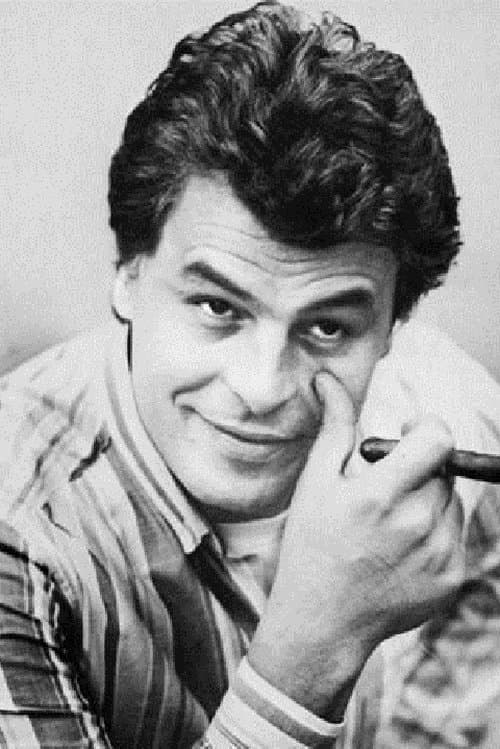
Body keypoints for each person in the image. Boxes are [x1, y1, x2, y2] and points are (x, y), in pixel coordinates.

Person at [1, 2, 500, 747]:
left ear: (395, 326)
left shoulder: (456, 426)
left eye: (328, 327)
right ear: (129, 273)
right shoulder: (19, 531)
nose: (263, 387)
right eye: (217, 307)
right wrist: (310, 654)